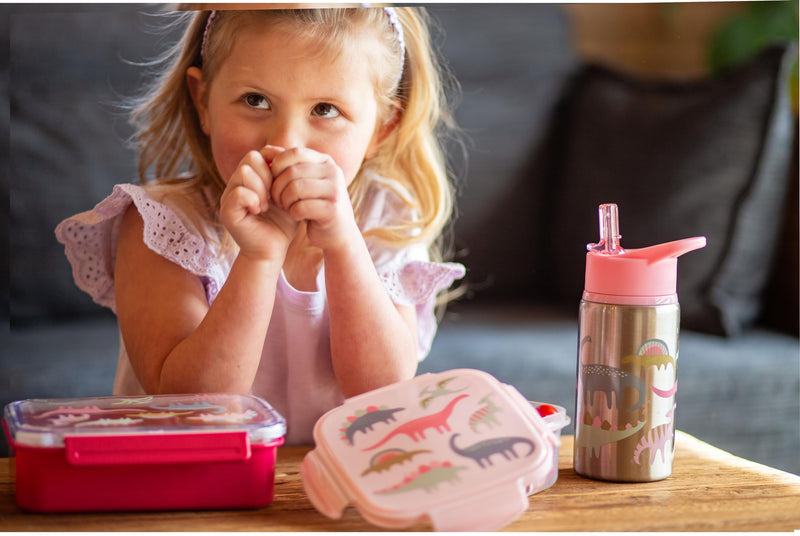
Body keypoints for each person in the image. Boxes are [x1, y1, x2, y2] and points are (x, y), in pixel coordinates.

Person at [55, 7, 464, 443]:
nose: (285, 142)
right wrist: (259, 257)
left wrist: (344, 247)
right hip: (195, 480)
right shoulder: (161, 225)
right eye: (256, 100)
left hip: (324, 484)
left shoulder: (386, 218)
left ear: (382, 127)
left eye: (325, 109)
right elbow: (187, 405)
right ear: (203, 102)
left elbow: (383, 392)